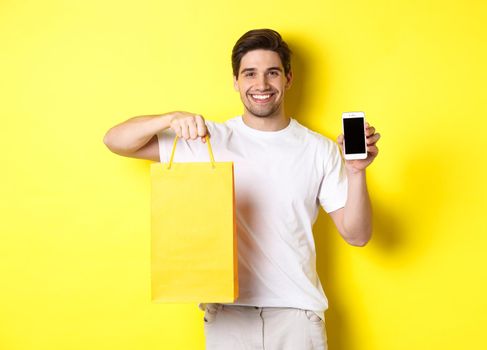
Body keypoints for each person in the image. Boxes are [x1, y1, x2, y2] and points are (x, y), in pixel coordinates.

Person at [103, 28, 380, 350]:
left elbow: (357, 235)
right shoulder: (206, 140)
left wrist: (356, 172)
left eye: (272, 73)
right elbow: (115, 141)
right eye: (250, 74)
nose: (261, 85)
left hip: (296, 315)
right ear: (236, 81)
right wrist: (170, 117)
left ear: (288, 79)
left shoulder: (319, 149)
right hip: (227, 315)